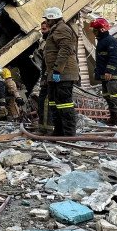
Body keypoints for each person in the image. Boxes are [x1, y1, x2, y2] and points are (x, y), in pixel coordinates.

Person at [41, 7, 80, 136]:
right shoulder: (56, 29)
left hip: (63, 73)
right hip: (55, 73)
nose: (45, 22)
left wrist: (57, 70)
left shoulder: (62, 29)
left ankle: (69, 133)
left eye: (47, 19)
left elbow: (65, 49)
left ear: (52, 18)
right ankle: (59, 131)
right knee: (53, 102)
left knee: (65, 103)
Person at [90, 17, 117, 128]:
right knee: (107, 96)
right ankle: (114, 119)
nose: (94, 32)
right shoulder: (101, 41)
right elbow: (101, 59)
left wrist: (109, 71)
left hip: (111, 75)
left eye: (95, 30)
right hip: (104, 75)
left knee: (116, 96)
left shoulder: (110, 41)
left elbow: (114, 57)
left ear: (102, 29)